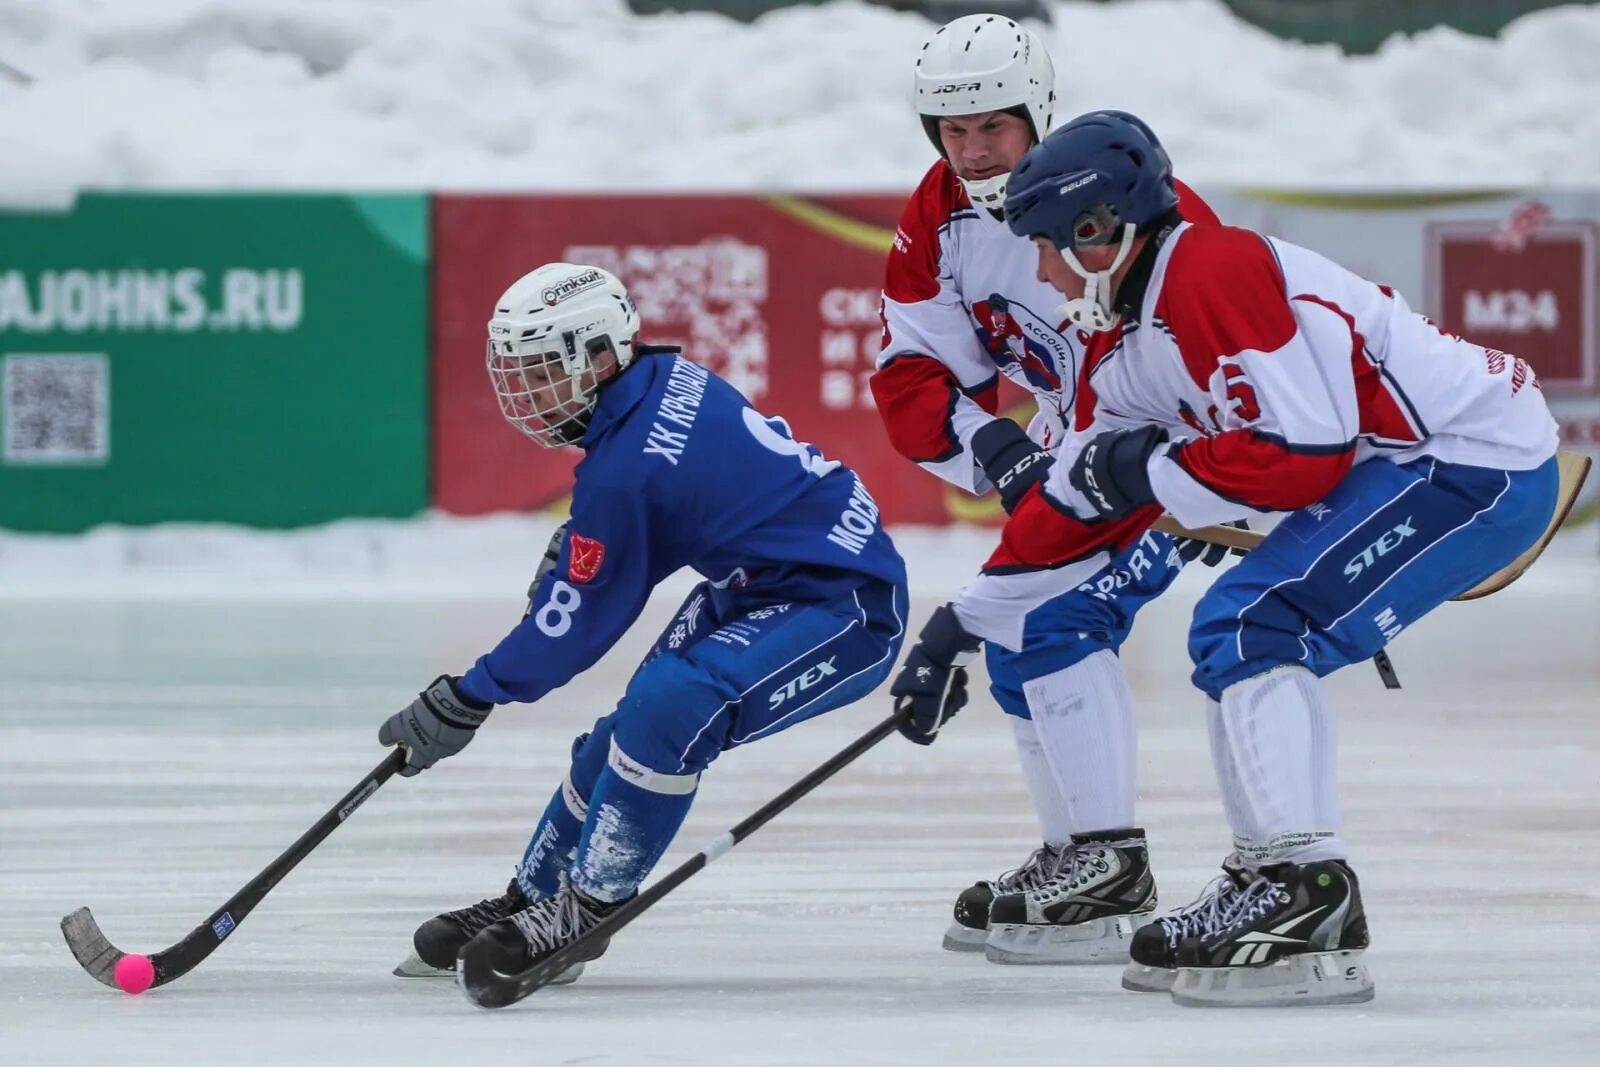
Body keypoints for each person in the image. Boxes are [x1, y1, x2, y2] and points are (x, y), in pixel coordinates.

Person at [889, 111, 1560, 1006]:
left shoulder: (1212, 267)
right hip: (1409, 460)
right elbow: (1073, 509)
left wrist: (1154, 469)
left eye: (1048, 248)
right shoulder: (1125, 352)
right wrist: (959, 626)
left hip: (1476, 459)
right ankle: (1272, 881)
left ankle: (1302, 891)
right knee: (1241, 626)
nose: (1042, 276)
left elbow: (1300, 454)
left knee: (1249, 621)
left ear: (1100, 233)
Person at [382, 262, 907, 988]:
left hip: (844, 605)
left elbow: (579, 622)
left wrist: (468, 694)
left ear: (600, 355)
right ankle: (535, 898)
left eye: (542, 371)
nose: (527, 393)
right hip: (766, 582)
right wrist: (583, 545)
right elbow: (660, 508)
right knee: (625, 732)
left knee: (669, 705)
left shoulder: (624, 466)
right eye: (521, 371)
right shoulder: (655, 383)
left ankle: (589, 906)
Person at [871, 12, 1222, 963]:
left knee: (1056, 622)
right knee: (1019, 631)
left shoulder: (1126, 190)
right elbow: (911, 374)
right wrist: (1001, 447)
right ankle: (1079, 850)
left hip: (1161, 448)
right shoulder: (933, 221)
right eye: (954, 131)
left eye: (995, 126)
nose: (976, 152)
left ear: (1038, 112)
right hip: (1074, 454)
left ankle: (1107, 863)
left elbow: (1218, 339)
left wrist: (1201, 477)